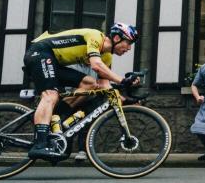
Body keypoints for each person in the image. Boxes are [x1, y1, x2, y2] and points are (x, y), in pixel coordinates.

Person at [23, 23, 139, 160]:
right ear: (116, 38)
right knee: (50, 95)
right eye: (128, 42)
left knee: (90, 84)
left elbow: (104, 86)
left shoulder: (106, 56)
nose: (129, 48)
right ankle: (39, 144)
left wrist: (124, 99)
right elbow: (96, 65)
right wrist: (122, 80)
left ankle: (55, 116)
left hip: (53, 62)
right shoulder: (95, 36)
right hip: (40, 52)